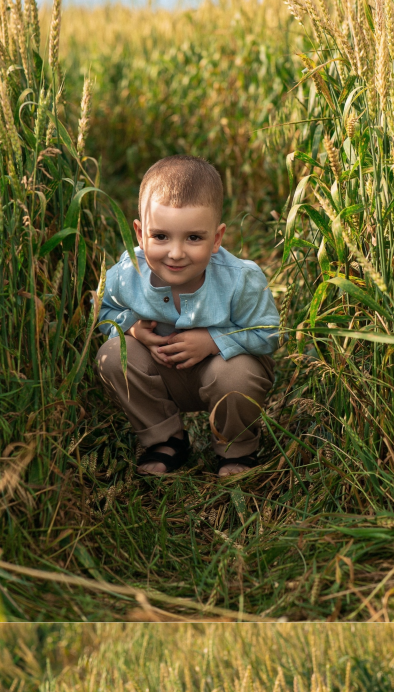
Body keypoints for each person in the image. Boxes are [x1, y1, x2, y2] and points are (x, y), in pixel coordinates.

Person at [95, 153, 278, 479]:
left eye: (194, 238)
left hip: (223, 371)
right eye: (161, 236)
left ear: (217, 239)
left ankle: (236, 447)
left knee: (237, 376)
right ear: (140, 234)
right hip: (161, 371)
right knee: (111, 355)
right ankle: (166, 439)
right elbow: (104, 313)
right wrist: (133, 330)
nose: (176, 253)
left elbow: (268, 333)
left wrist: (213, 341)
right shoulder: (127, 273)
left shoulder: (240, 279)